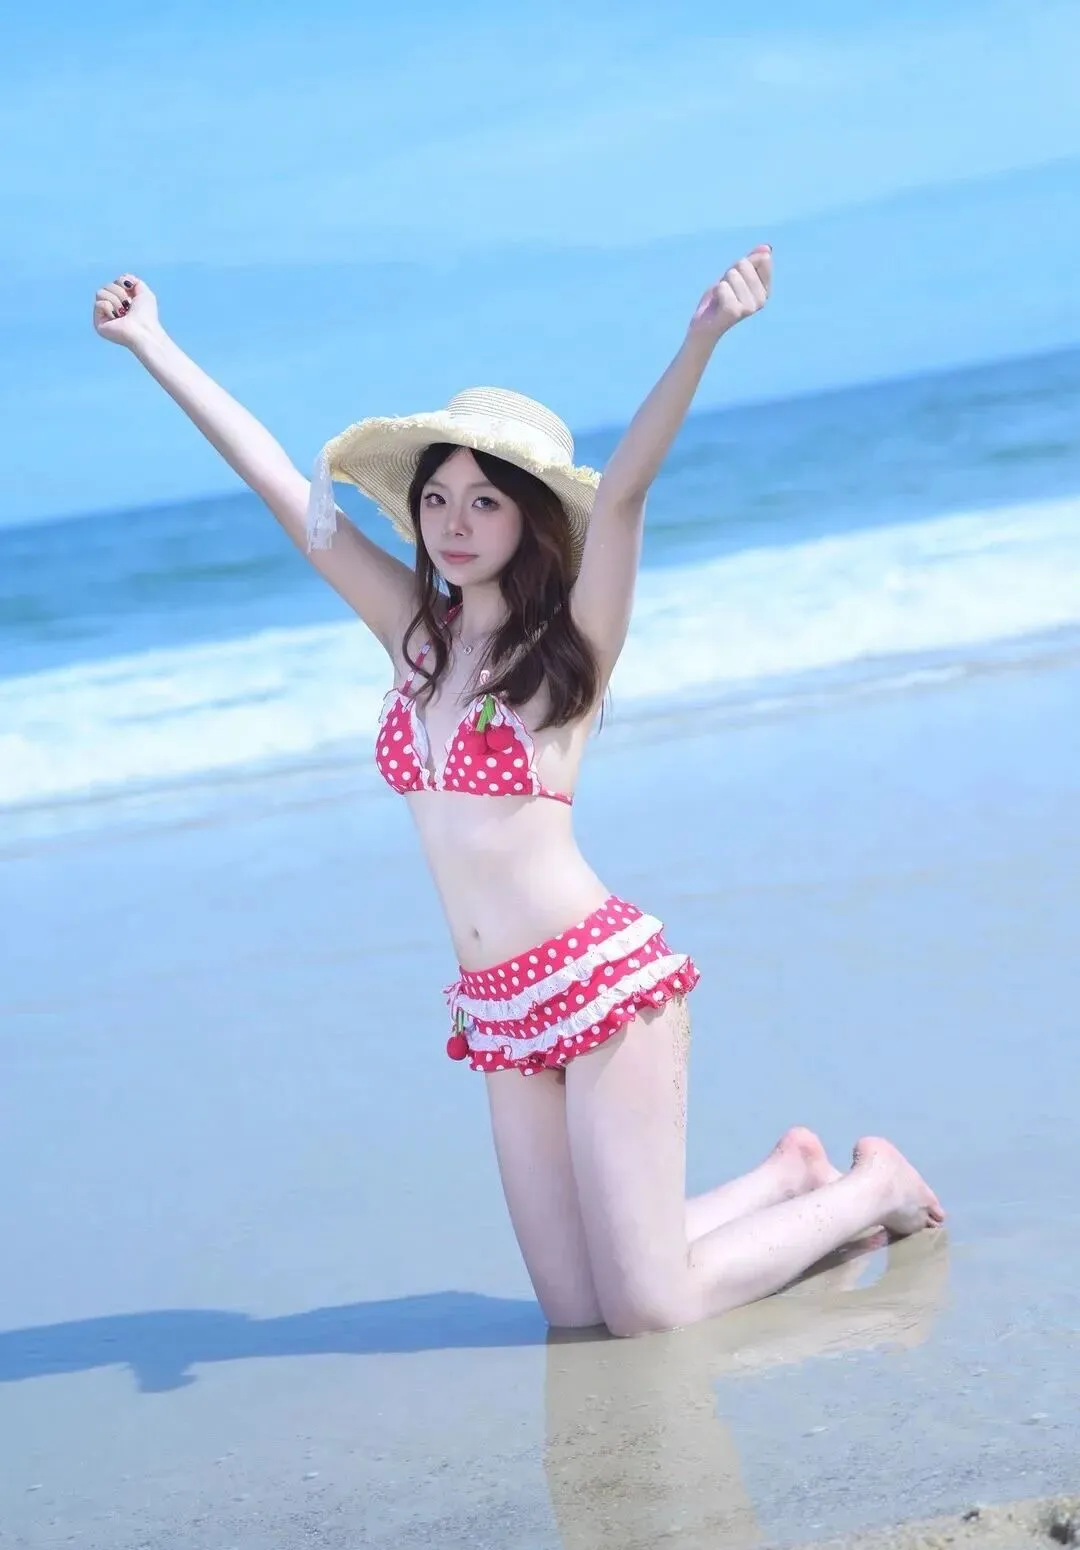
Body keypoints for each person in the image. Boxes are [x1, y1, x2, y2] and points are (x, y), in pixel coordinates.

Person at [92, 249, 944, 1337]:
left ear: (527, 517)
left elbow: (624, 490)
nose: (454, 522)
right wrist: (153, 343)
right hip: (497, 1007)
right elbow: (277, 483)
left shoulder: (570, 645)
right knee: (577, 1312)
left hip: (602, 990)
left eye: (484, 501)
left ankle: (871, 1188)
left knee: (650, 1310)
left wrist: (702, 339)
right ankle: (789, 1176)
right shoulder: (412, 638)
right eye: (436, 499)